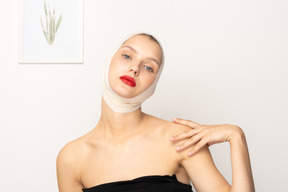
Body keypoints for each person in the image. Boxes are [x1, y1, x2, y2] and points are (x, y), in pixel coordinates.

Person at [56, 33, 255, 192]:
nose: (134, 68)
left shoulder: (180, 138)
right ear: (108, 61)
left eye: (149, 67)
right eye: (127, 56)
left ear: (155, 83)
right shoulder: (71, 158)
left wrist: (236, 136)